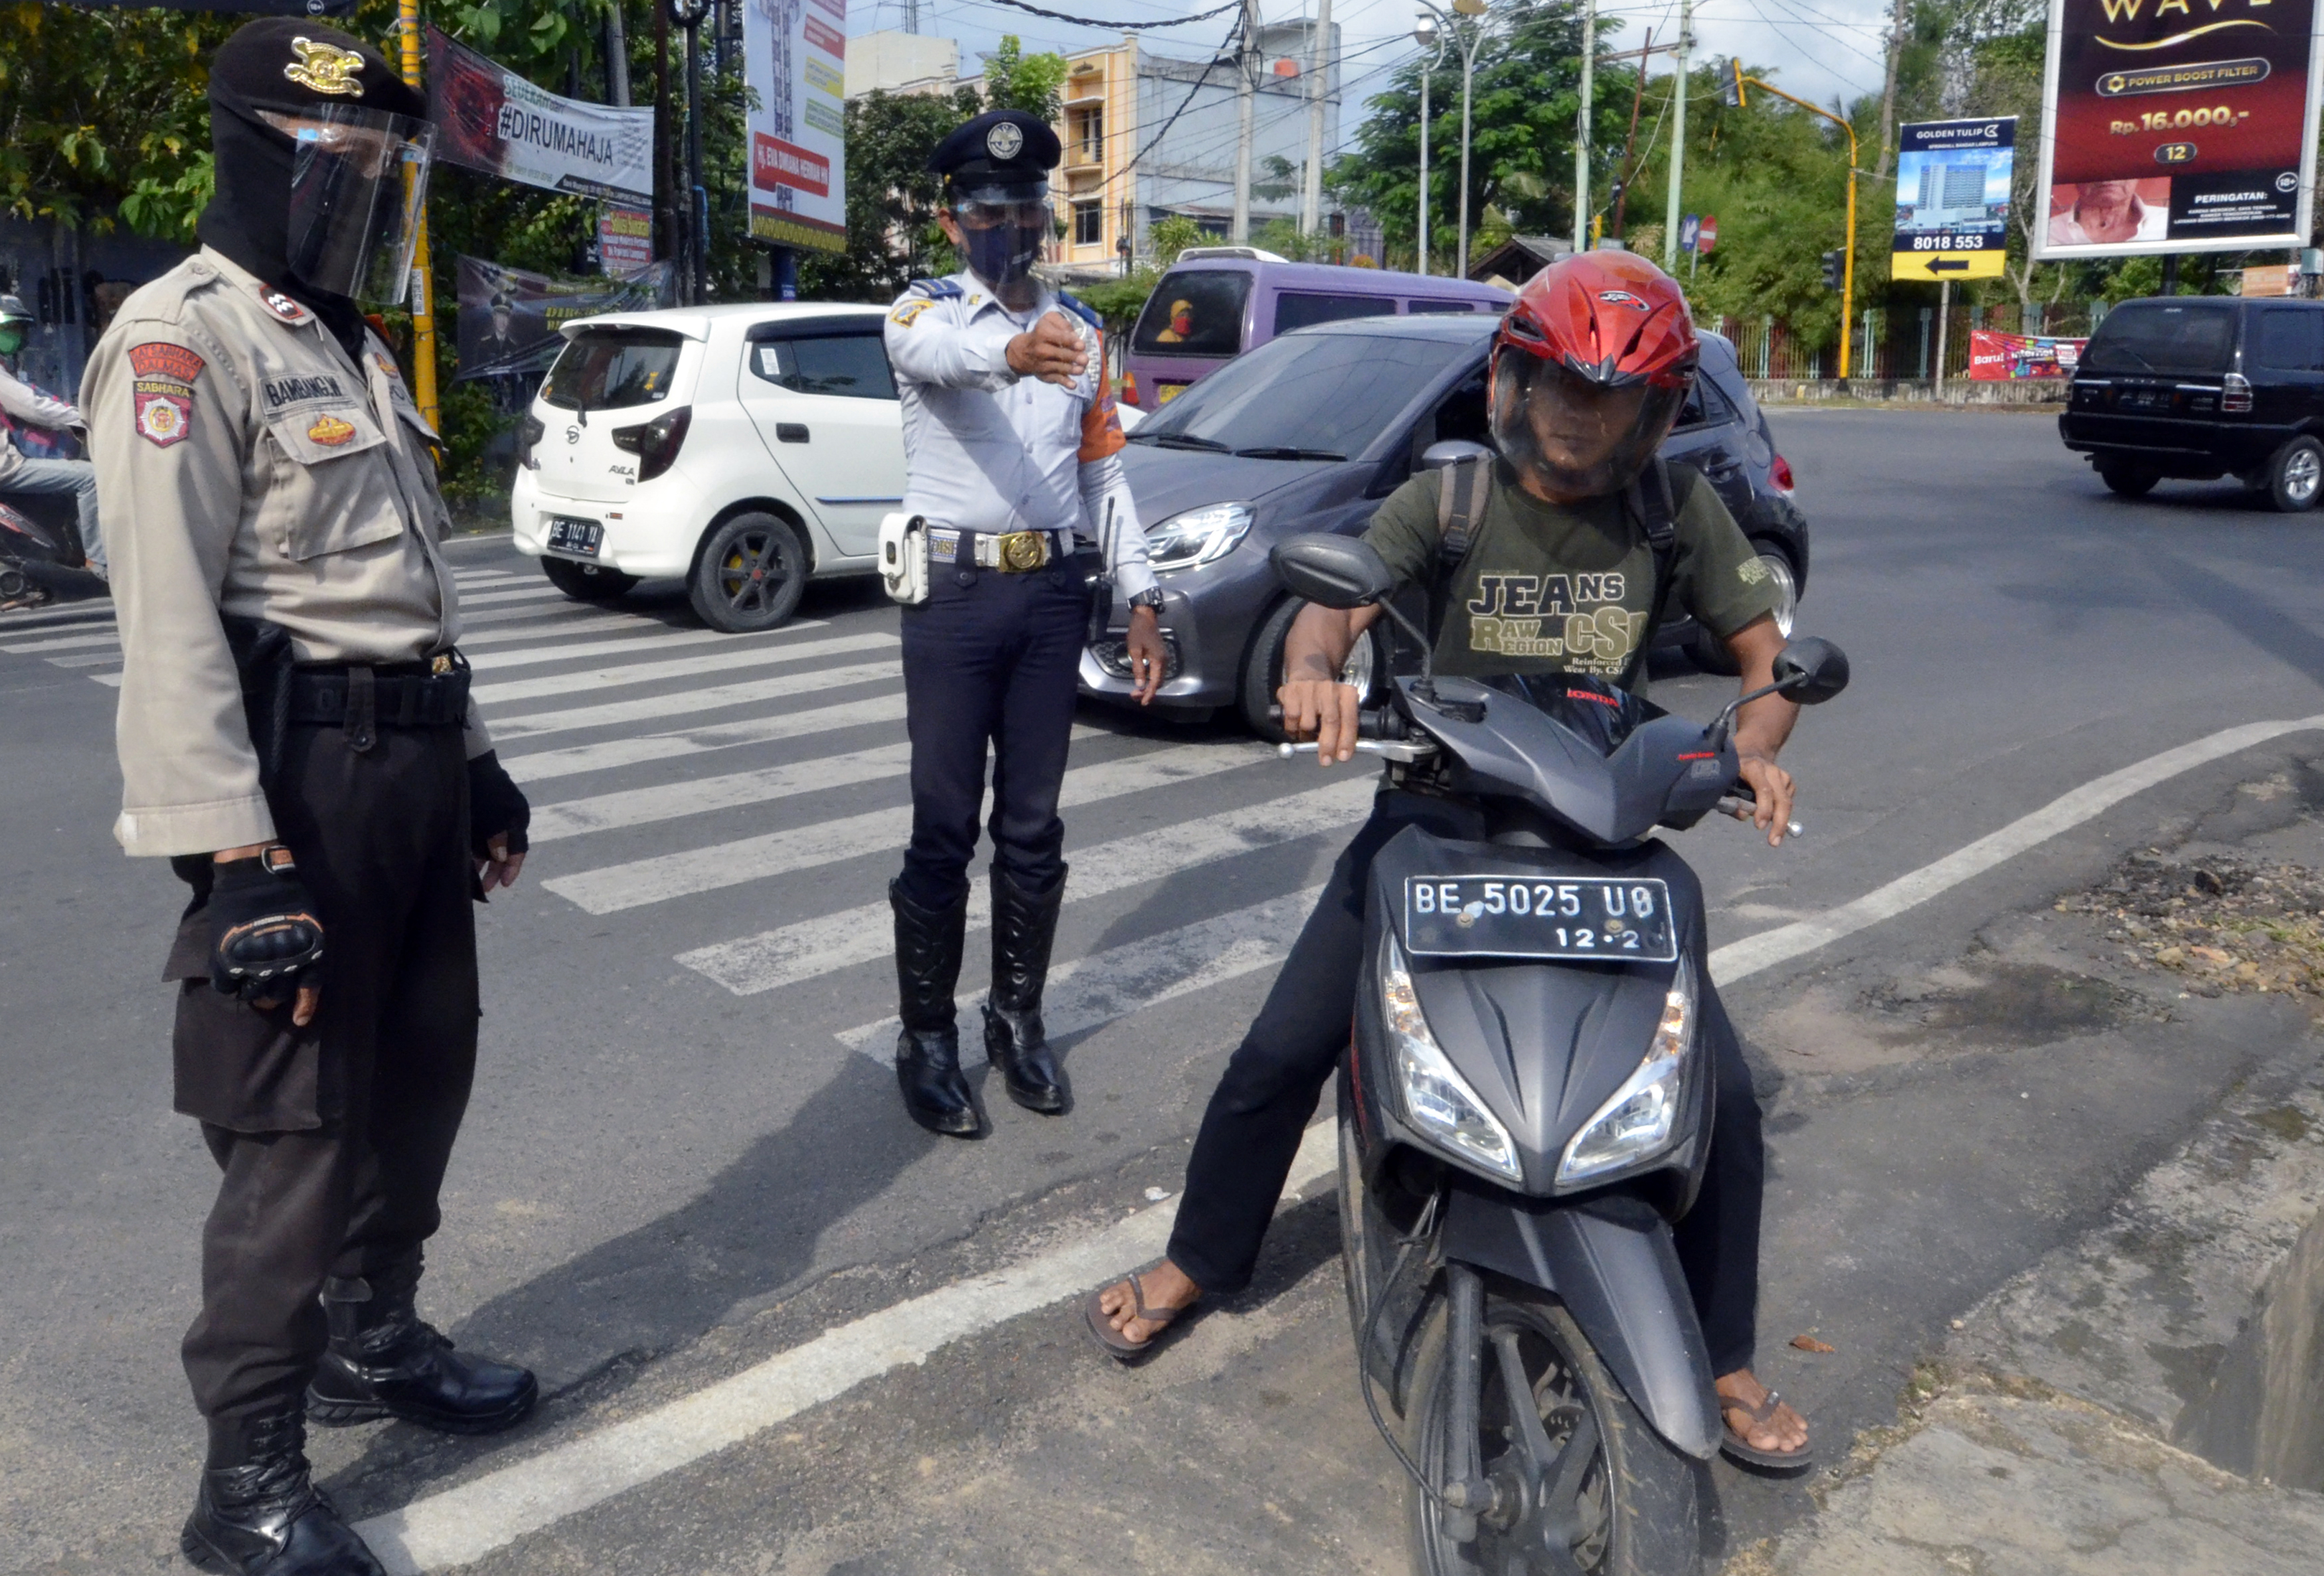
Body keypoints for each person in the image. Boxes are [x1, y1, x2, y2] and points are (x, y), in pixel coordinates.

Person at [1087, 251, 1817, 1468]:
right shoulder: (1455, 498)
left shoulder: (1671, 510)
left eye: (1613, 401)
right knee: (1280, 1049)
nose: (1582, 419)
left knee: (1723, 1098)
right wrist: (1316, 670)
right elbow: (1341, 600)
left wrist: (1752, 746)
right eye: (1562, 391)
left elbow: (1766, 655)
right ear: (1514, 386)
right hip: (1436, 815)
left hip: (1603, 824)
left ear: (1654, 414)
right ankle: (1198, 1257)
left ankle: (1727, 1352)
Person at [84, 21, 539, 1575]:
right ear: (259, 153)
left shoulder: (339, 338)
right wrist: (238, 862)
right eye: (343, 165)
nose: (366, 194)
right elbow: (165, 619)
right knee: (296, 1139)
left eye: (381, 170)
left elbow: (404, 594)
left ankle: (375, 1338)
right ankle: (246, 1488)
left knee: (420, 1082)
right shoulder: (181, 340)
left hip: (408, 769)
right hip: (299, 788)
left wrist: (474, 765)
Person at [881, 108, 1170, 1137]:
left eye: (1025, 210)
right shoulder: (919, 313)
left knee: (1035, 828)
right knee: (944, 825)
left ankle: (1017, 1018)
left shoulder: (1088, 333)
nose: (1008, 226)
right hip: (955, 603)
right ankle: (925, 1037)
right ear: (953, 222)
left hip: (1053, 597)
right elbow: (948, 364)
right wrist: (1015, 348)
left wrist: (1142, 597)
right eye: (986, 210)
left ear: (1047, 219)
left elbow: (1105, 473)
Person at [0, 293, 106, 579]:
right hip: (5, 468)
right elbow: (33, 406)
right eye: (10, 330)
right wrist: (85, 420)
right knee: (91, 477)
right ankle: (99, 565)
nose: (17, 336)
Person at [2048, 180, 2161, 246]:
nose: (2109, 178)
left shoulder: (2167, 222)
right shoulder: (2048, 232)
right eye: (2094, 164)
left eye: (2121, 164)